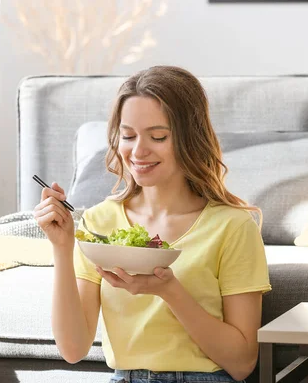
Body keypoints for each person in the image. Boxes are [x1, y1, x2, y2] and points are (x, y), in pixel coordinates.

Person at [33, 65, 271, 383]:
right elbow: (73, 349)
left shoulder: (232, 227)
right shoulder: (98, 224)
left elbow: (242, 363)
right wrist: (62, 248)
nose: (139, 151)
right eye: (128, 136)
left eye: (158, 137)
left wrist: (170, 291)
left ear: (190, 139)